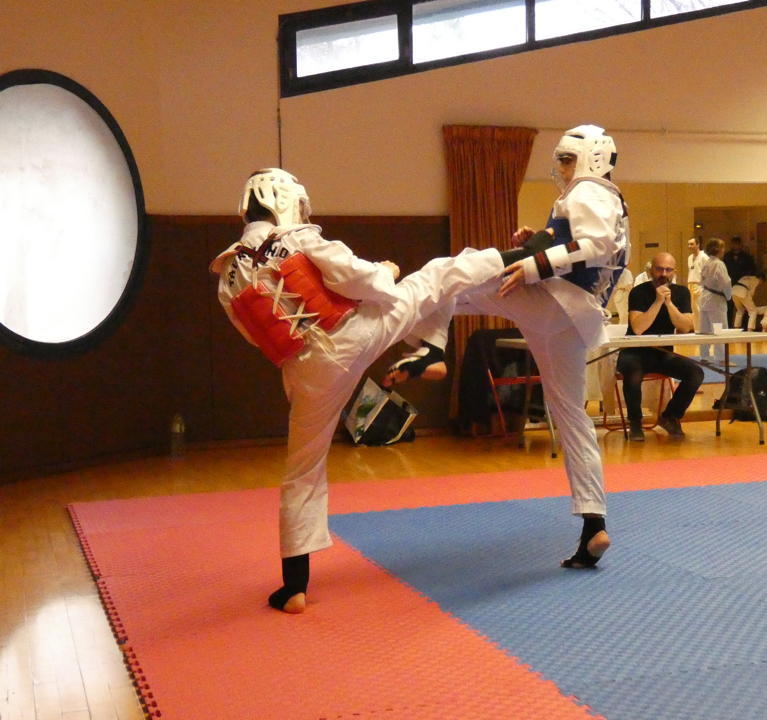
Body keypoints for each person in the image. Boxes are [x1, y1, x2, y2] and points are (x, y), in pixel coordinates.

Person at [210, 168, 544, 613]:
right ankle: (522, 258)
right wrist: (385, 272)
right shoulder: (300, 239)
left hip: (304, 371)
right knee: (438, 274)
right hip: (353, 335)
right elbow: (361, 281)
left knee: (302, 470)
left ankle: (294, 587)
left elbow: (256, 335)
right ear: (286, 200)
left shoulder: (228, 274)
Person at [389, 124, 629, 571]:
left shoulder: (590, 190)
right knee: (572, 418)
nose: (562, 169)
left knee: (450, 269)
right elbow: (585, 247)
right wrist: (538, 242)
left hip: (554, 302)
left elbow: (595, 246)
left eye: (567, 160)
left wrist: (536, 263)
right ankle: (593, 524)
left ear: (592, 158)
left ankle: (429, 347)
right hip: (573, 321)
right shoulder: (606, 201)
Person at [616, 252, 703, 441]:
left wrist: (669, 303)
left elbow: (685, 327)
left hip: (663, 353)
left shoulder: (681, 293)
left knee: (695, 373)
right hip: (634, 352)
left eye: (668, 270)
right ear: (650, 271)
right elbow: (638, 328)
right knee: (633, 372)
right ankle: (635, 422)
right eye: (659, 269)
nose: (664, 274)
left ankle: (670, 416)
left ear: (674, 272)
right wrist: (657, 302)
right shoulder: (638, 292)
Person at [697, 237, 732, 363]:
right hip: (716, 299)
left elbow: (701, 279)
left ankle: (704, 356)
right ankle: (721, 358)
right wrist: (728, 296)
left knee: (705, 329)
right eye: (722, 248)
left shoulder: (707, 262)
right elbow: (726, 282)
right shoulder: (718, 264)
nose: (724, 250)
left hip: (705, 296)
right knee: (719, 329)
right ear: (718, 249)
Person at [722, 236, 758, 325]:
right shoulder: (727, 256)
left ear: (740, 245)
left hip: (742, 284)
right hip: (729, 284)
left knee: (744, 306)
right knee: (729, 306)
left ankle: (745, 325)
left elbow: (752, 270)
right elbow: (724, 270)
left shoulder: (747, 257)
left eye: (737, 244)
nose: (735, 246)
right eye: (733, 244)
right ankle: (728, 326)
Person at [686, 237, 708, 329]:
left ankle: (704, 328)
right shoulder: (690, 258)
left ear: (698, 245)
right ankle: (697, 329)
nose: (689, 246)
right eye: (688, 244)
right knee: (694, 309)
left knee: (701, 308)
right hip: (691, 285)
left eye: (692, 244)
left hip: (700, 285)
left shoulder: (704, 257)